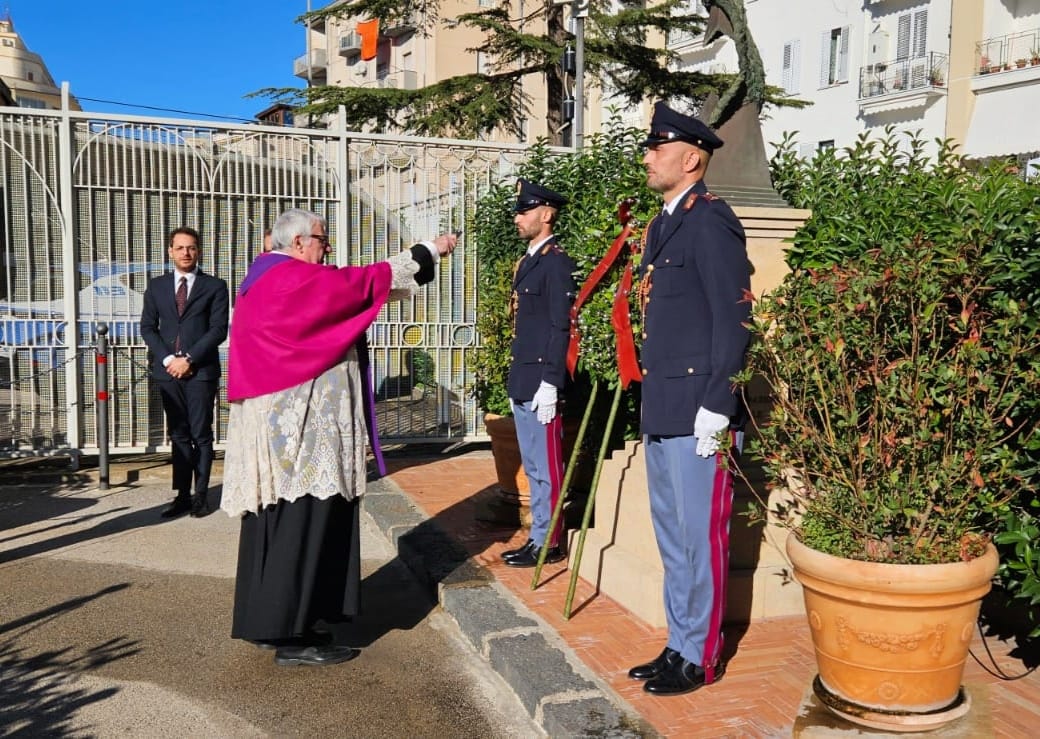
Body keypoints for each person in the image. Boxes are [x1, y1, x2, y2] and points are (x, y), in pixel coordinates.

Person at [220, 208, 457, 667]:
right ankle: (290, 633)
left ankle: (274, 618)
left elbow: (348, 289)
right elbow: (359, 284)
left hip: (291, 430)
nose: (327, 249)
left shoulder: (266, 276)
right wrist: (427, 251)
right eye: (322, 240)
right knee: (301, 522)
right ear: (297, 243)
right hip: (303, 435)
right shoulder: (290, 279)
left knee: (285, 522)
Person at [626, 102, 751, 695]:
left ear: (691, 157)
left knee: (700, 537)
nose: (648, 156)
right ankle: (679, 643)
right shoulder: (663, 224)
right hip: (664, 404)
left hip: (700, 406)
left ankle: (700, 656)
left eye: (658, 147)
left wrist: (719, 402)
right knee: (674, 534)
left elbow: (734, 317)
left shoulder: (710, 220)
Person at [499, 179, 577, 568]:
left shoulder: (556, 262)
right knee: (533, 465)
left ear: (546, 215)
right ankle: (538, 536)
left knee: (547, 468)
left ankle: (549, 541)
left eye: (525, 211)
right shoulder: (530, 260)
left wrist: (551, 381)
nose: (518, 217)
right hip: (524, 378)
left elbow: (560, 326)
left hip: (541, 381)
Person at [140, 226, 229, 519]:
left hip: (200, 371)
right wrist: (168, 359)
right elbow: (148, 328)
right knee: (178, 434)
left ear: (198, 251)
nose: (186, 253)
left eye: (191, 248)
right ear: (170, 251)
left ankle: (201, 496)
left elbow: (217, 329)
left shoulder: (215, 286)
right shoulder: (156, 287)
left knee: (201, 435)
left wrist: (188, 358)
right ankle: (181, 495)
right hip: (168, 373)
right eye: (180, 248)